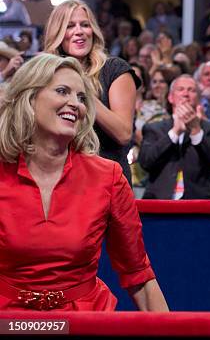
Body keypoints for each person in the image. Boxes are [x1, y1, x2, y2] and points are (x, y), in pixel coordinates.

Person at [0, 53, 167, 311]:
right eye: (62, 91)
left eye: (81, 97)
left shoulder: (108, 177)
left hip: (85, 319)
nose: (75, 104)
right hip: (10, 321)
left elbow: (138, 274)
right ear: (29, 98)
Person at [44, 0, 140, 185]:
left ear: (93, 31)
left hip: (106, 180)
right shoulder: (46, 75)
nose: (79, 31)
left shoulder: (114, 69)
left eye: (85, 25)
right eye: (70, 26)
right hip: (59, 178)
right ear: (58, 34)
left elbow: (123, 133)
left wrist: (82, 91)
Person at [139, 75, 210, 199]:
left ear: (199, 99)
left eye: (191, 90)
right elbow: (146, 162)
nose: (186, 94)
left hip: (199, 201)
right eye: (181, 89)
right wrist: (174, 132)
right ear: (170, 97)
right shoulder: (153, 128)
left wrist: (196, 131)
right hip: (160, 200)